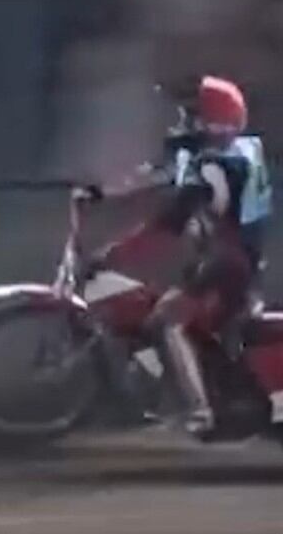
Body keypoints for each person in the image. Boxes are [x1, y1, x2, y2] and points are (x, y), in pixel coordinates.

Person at [91, 76, 273, 436]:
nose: (182, 124)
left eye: (192, 116)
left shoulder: (212, 166)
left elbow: (166, 225)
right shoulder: (242, 150)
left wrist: (111, 254)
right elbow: (166, 171)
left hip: (226, 262)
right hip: (238, 257)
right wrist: (103, 191)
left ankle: (200, 411)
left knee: (166, 320)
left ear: (214, 123)